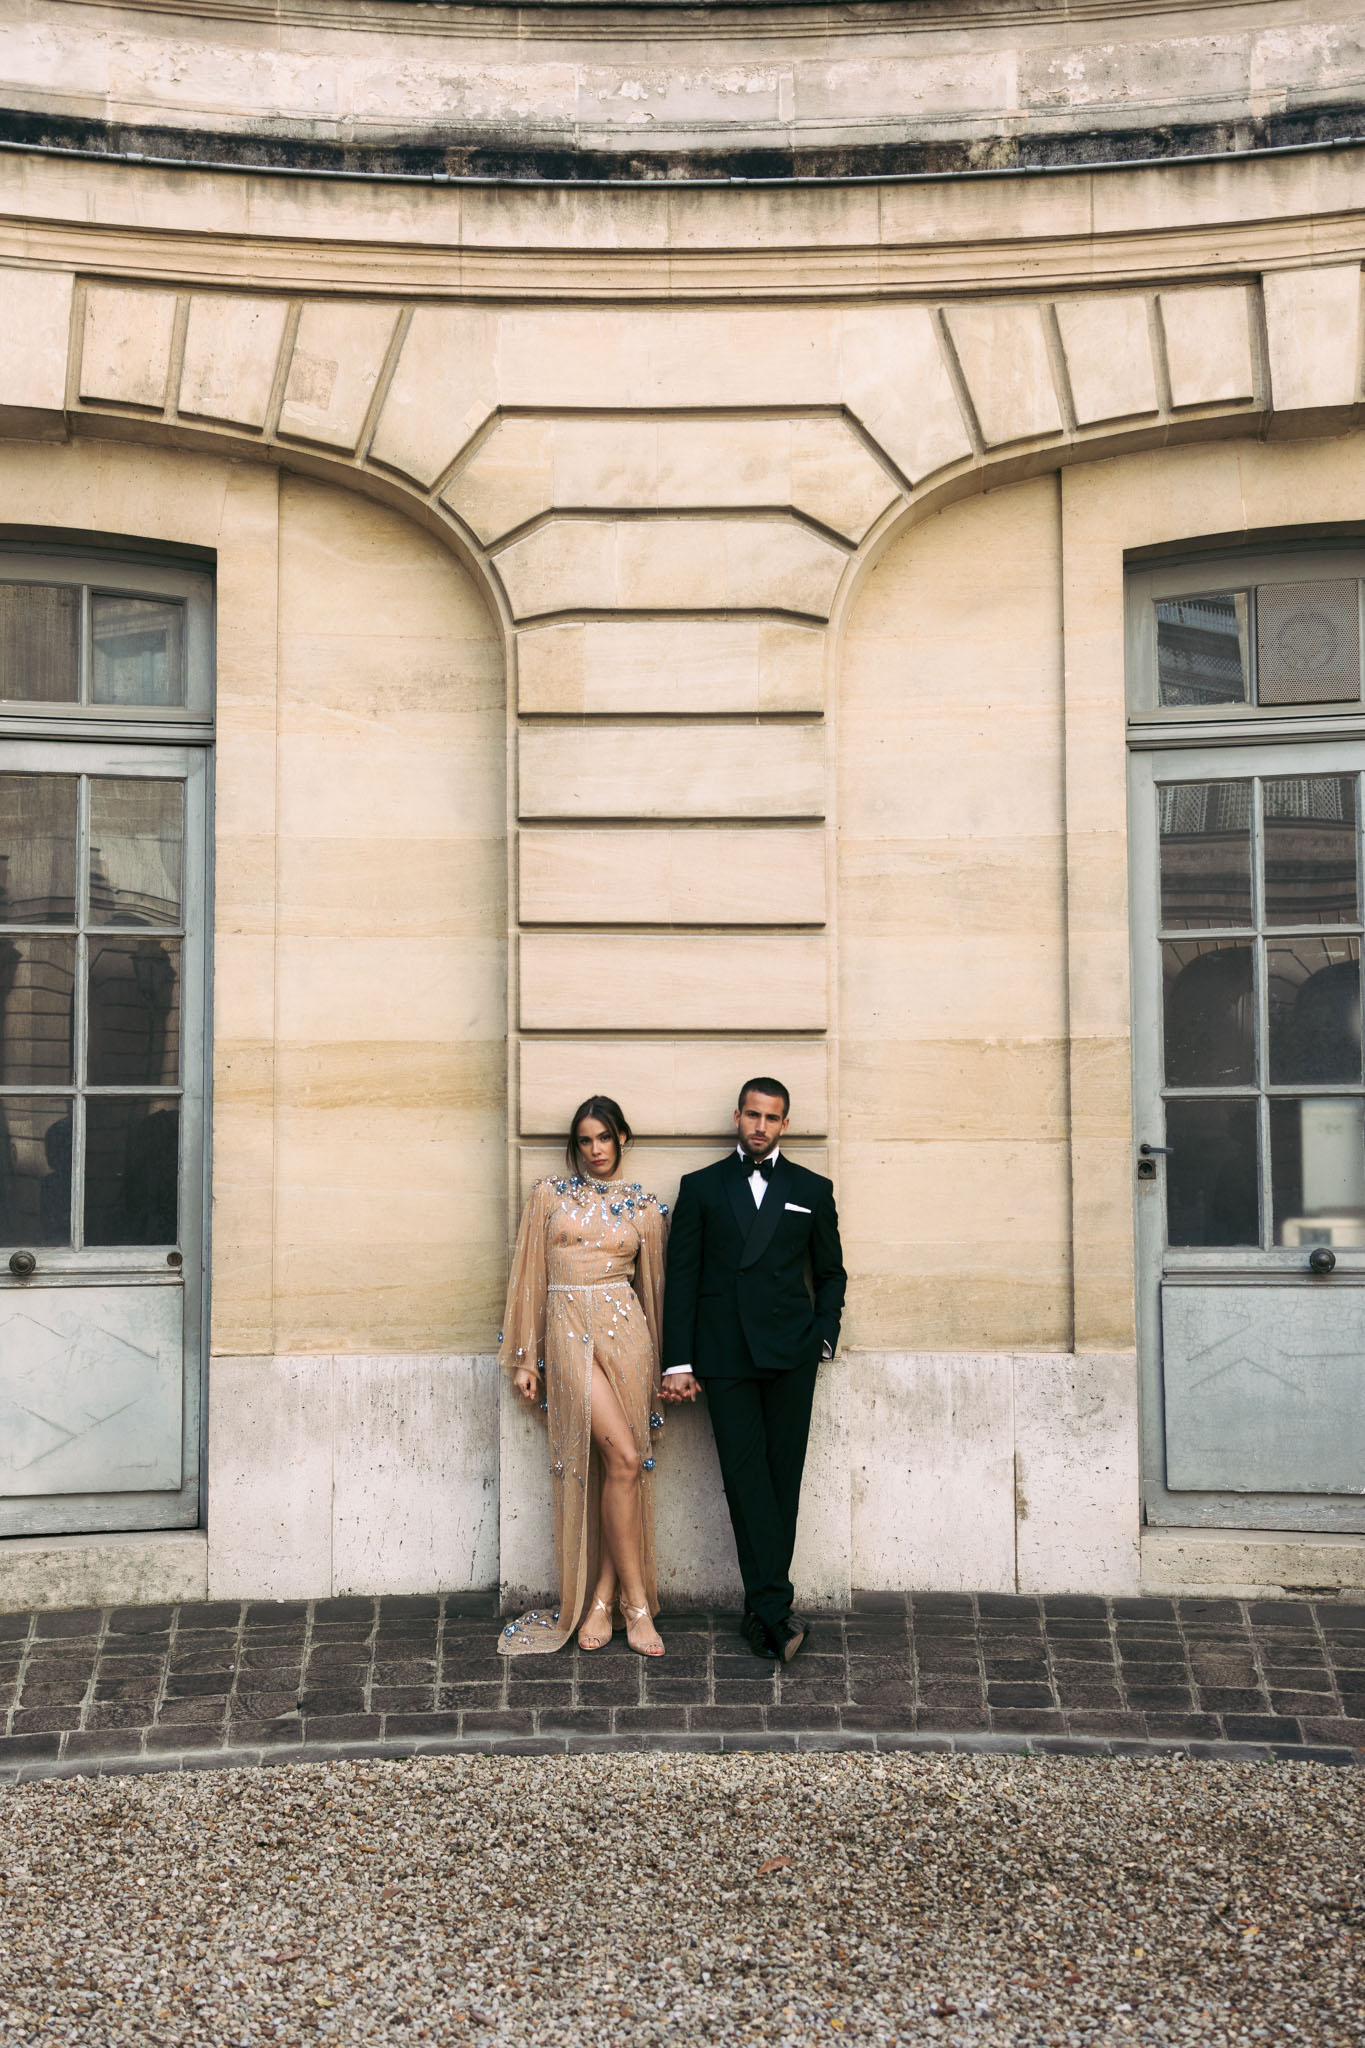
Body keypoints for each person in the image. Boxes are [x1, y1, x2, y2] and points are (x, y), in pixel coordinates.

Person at [660, 1077, 846, 1662]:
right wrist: (678, 1361)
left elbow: (831, 1273)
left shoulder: (811, 1188)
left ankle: (763, 1613)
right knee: (746, 1482)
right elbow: (682, 1278)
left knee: (782, 1482)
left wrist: (824, 1335)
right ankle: (775, 1609)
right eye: (752, 1114)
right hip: (726, 1356)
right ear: (737, 1116)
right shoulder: (701, 1187)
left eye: (771, 1117)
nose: (760, 1126)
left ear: (785, 1124)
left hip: (792, 1355)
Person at [497, 1096, 669, 1658]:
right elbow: (528, 1273)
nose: (596, 1150)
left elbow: (654, 1294)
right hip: (569, 1336)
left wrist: (666, 1370)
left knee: (623, 1466)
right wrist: (526, 1356)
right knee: (624, 1459)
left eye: (605, 1138)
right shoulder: (549, 1195)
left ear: (622, 1138)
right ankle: (635, 1604)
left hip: (629, 1340)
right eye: (586, 1140)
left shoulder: (645, 1208)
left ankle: (604, 1599)